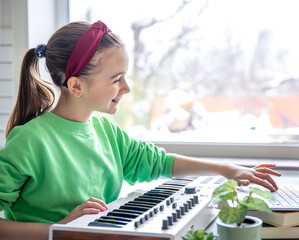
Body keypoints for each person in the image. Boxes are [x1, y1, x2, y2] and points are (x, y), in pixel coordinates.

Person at [0, 20, 281, 240]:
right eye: (116, 79)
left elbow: (158, 161)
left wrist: (227, 170)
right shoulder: (30, 140)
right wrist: (57, 230)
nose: (126, 88)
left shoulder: (106, 132)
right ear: (76, 86)